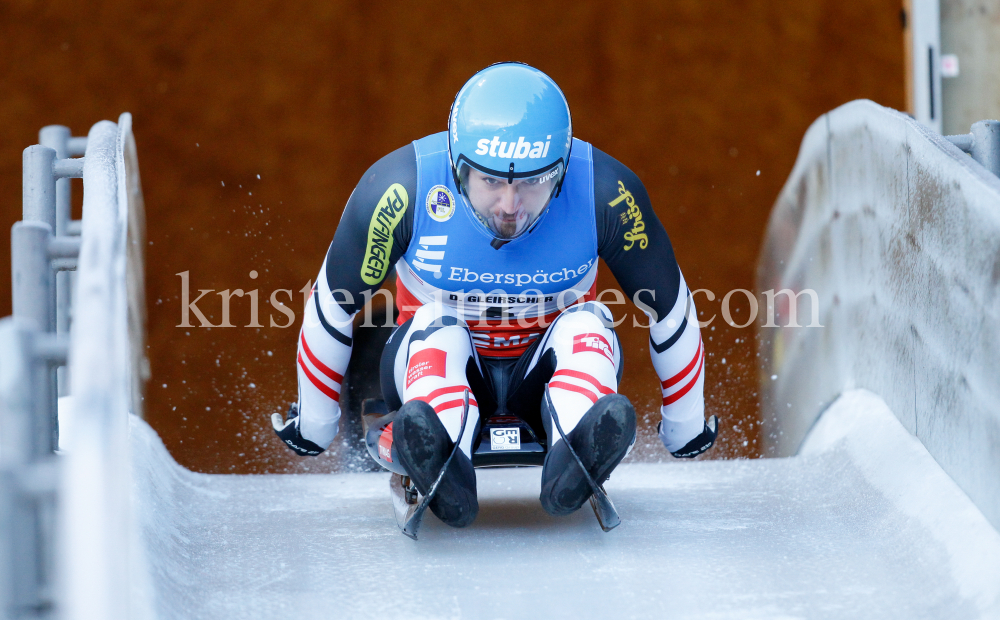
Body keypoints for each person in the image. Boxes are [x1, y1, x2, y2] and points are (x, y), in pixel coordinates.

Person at [272, 62, 717, 528]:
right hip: (436, 362)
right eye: (490, 181)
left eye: (532, 182)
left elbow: (668, 306)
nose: (510, 206)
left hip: (541, 374)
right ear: (456, 165)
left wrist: (683, 425)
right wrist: (317, 422)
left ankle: (574, 445)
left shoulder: (607, 194)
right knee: (436, 326)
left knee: (589, 323)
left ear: (562, 172)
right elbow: (334, 304)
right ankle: (444, 453)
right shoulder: (400, 189)